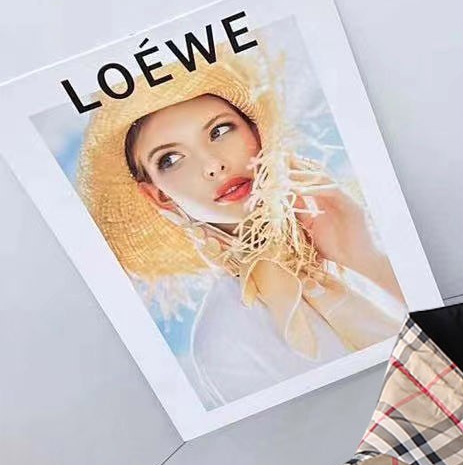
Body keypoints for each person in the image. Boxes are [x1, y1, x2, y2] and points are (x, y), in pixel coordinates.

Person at [77, 52, 405, 406]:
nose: (213, 165)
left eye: (219, 131)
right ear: (160, 196)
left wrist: (366, 258)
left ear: (255, 130)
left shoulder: (372, 216)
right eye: (171, 159)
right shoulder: (222, 340)